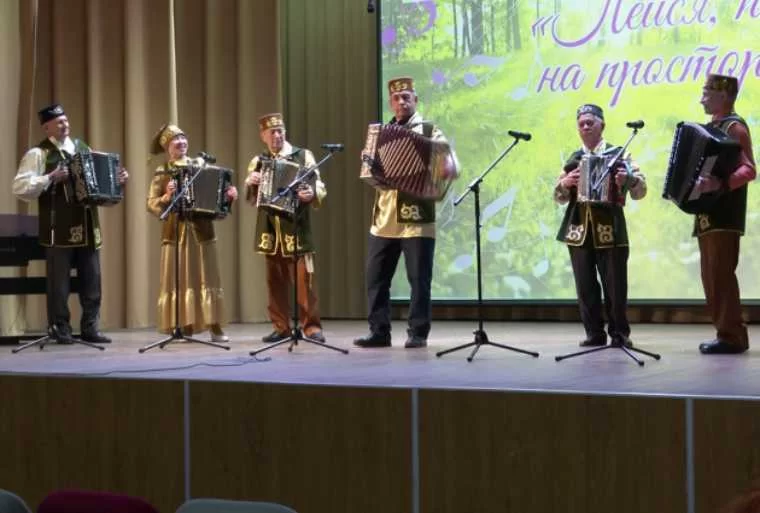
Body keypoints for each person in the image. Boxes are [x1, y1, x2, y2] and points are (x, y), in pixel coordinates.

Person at [353, 76, 459, 349]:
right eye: (397, 98)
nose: (401, 102)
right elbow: (370, 170)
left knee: (419, 280)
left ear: (415, 99)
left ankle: (418, 332)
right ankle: (379, 331)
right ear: (391, 102)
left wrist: (445, 168)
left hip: (416, 219)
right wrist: (368, 164)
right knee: (376, 278)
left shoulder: (429, 130)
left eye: (406, 97)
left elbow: (449, 162)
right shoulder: (381, 131)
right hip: (384, 218)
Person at [13, 104, 129, 344]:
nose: (64, 125)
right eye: (58, 122)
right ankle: (60, 329)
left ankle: (90, 328)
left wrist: (117, 181)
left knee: (92, 281)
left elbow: (98, 189)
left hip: (87, 226)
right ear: (47, 128)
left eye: (65, 120)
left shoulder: (83, 149)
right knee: (59, 285)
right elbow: (20, 188)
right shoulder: (39, 153)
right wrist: (50, 177)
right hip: (59, 230)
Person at [553, 103, 647, 348]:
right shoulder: (573, 159)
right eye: (581, 124)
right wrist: (565, 183)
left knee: (615, 285)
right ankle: (594, 333)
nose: (585, 127)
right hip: (578, 229)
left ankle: (619, 334)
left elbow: (641, 190)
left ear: (601, 125)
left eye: (590, 123)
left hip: (610, 228)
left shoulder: (620, 154)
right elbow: (558, 197)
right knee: (585, 285)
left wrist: (628, 179)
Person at [146, 123, 238, 342]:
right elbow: (151, 204)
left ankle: (215, 326)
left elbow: (216, 203)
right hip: (175, 233)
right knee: (178, 280)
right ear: (168, 147)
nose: (181, 142)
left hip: (202, 231)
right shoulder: (163, 172)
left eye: (183, 138)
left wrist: (227, 198)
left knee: (208, 278)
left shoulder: (201, 166)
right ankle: (180, 326)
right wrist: (167, 197)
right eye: (176, 140)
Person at [244, 113, 326, 343]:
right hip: (270, 227)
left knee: (304, 279)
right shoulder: (258, 161)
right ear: (263, 136)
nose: (277, 135)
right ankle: (281, 326)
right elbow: (252, 199)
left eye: (280, 131)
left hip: (295, 224)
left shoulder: (302, 155)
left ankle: (310, 327)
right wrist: (250, 183)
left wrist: (312, 193)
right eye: (272, 132)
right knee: (275, 280)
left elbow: (317, 183)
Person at [692, 74, 756, 355]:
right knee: (711, 276)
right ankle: (725, 332)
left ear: (723, 95)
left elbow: (749, 169)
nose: (702, 97)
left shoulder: (734, 127)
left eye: (706, 92)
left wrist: (720, 183)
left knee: (720, 275)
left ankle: (732, 336)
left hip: (725, 214)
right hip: (708, 214)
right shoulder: (711, 128)